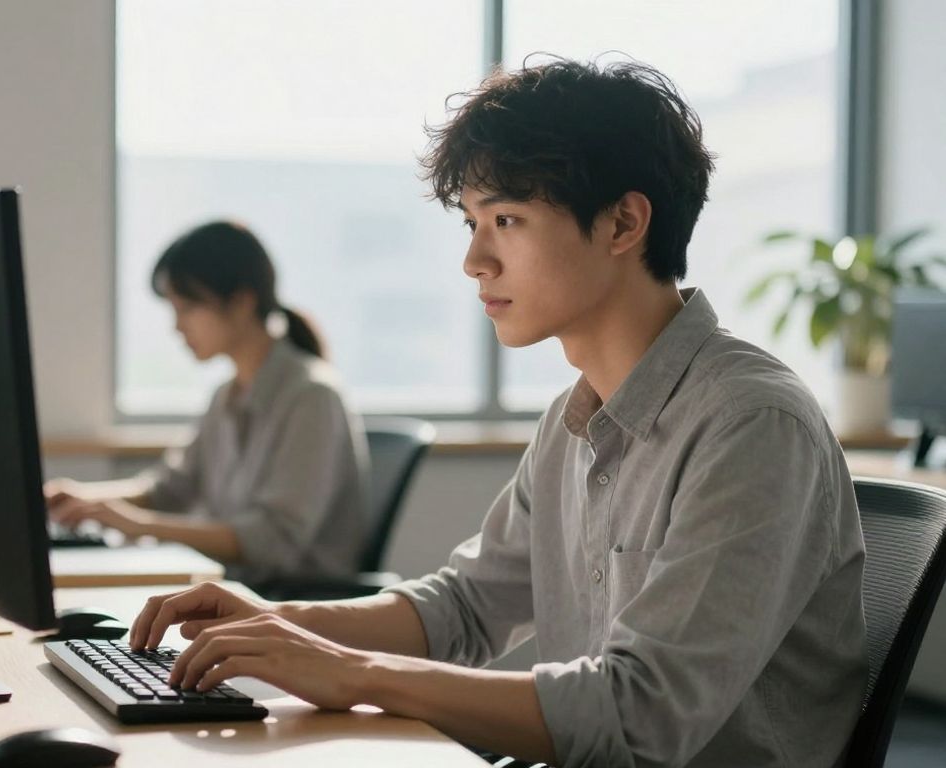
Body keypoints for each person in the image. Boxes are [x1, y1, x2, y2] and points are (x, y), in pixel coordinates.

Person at [127, 59, 868, 768]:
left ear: (622, 224)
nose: (474, 260)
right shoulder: (571, 422)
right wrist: (274, 621)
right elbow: (465, 609)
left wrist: (355, 673)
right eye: (471, 223)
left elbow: (640, 716)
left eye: (506, 219)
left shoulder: (751, 423)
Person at [45, 221, 369, 585]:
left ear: (242, 302)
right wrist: (84, 499)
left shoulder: (312, 396)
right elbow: (170, 489)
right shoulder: (227, 395)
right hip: (236, 588)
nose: (177, 327)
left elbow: (273, 540)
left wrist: (140, 525)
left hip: (290, 599)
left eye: (187, 308)